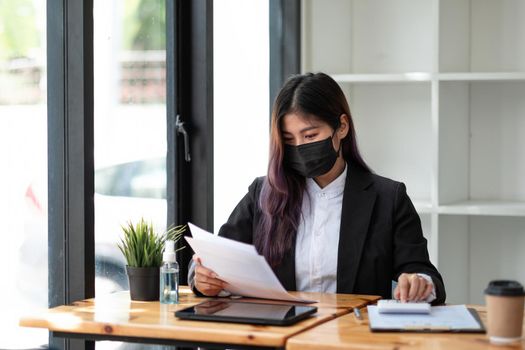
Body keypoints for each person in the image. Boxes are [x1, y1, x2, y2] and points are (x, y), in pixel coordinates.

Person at [188, 72, 446, 304]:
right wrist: (201, 279)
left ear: (341, 127)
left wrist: (420, 283)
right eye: (289, 140)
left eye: (310, 136)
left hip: (353, 339)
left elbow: (423, 272)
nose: (300, 147)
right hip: (279, 338)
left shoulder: (388, 198)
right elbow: (214, 257)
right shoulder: (263, 194)